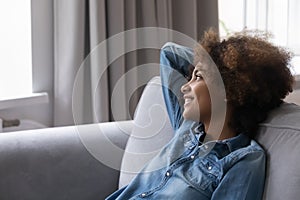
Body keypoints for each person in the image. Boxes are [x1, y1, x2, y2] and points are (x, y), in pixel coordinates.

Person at [106, 29, 294, 199]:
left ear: (226, 91)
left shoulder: (244, 159)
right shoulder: (186, 128)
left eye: (197, 77)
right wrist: (209, 63)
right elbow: (170, 53)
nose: (184, 87)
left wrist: (222, 74)